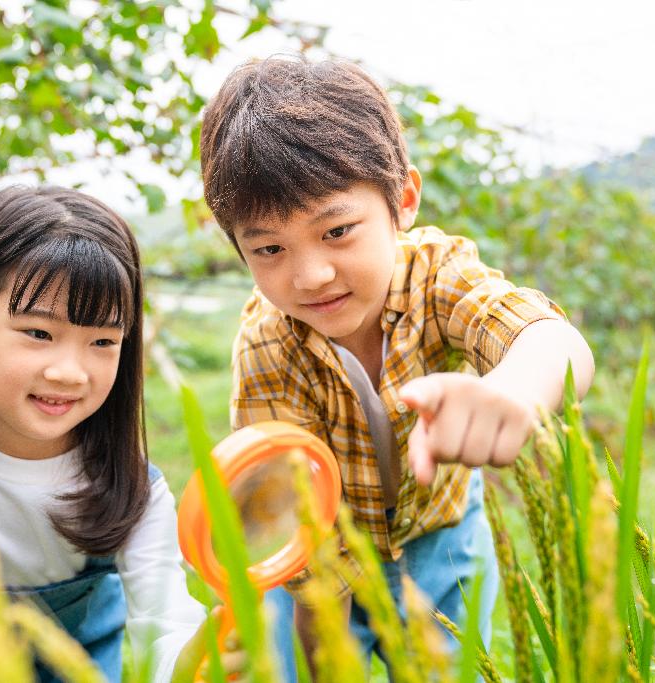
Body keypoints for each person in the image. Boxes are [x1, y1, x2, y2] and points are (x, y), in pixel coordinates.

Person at [199, 56, 595, 679]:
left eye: (337, 231)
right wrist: (313, 612)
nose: (309, 276)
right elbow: (286, 502)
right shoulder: (267, 343)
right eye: (269, 249)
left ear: (402, 200)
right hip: (325, 557)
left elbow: (548, 337)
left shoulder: (438, 275)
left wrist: (517, 390)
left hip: (441, 537)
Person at [0, 186, 239, 683]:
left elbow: (165, 623)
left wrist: (193, 662)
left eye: (102, 341)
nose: (70, 372)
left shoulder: (133, 492)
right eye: (39, 333)